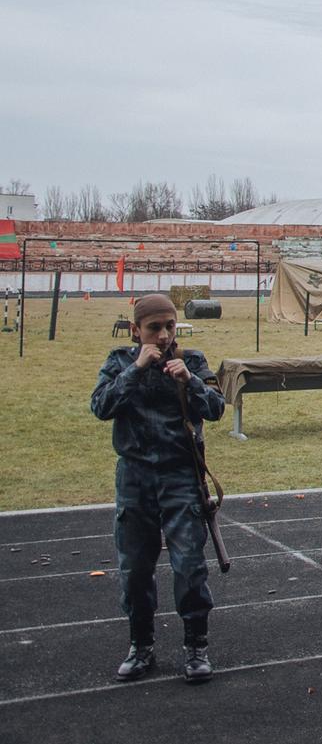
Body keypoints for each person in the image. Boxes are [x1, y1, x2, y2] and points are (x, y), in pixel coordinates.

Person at [90, 293, 226, 684]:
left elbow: (216, 409)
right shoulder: (119, 361)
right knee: (135, 568)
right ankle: (141, 645)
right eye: (155, 328)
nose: (165, 335)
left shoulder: (193, 361)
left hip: (180, 476)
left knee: (189, 565)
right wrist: (136, 369)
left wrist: (190, 380)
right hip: (134, 477)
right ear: (136, 330)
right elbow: (100, 406)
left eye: (170, 326)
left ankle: (196, 646)